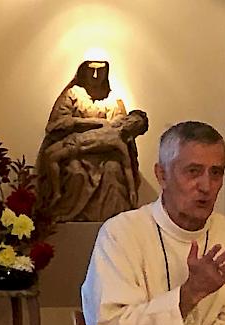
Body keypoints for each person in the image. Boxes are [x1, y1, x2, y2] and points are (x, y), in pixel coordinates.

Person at [81, 121, 225, 325]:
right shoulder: (121, 234)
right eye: (193, 171)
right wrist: (189, 294)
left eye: (216, 173)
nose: (206, 186)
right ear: (162, 175)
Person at [36, 60, 148, 222]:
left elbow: (124, 134)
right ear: (83, 70)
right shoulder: (72, 94)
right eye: (91, 70)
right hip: (76, 152)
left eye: (101, 70)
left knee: (113, 172)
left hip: (106, 155)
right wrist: (87, 123)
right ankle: (63, 214)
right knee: (75, 173)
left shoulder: (113, 99)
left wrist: (131, 189)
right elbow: (56, 124)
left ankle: (114, 225)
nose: (96, 75)